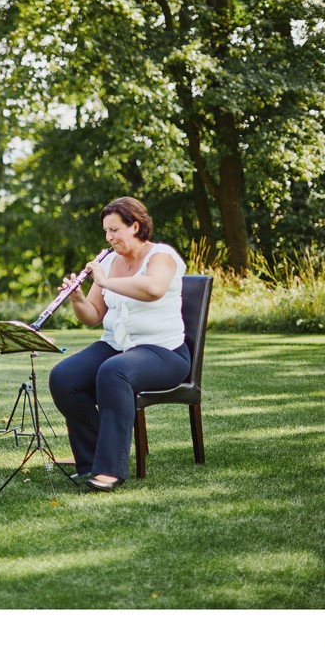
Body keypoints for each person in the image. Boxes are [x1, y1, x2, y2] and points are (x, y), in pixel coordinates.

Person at [47, 197, 191, 492]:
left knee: (113, 372)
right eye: (106, 232)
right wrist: (77, 299)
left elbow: (153, 289)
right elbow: (93, 315)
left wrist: (105, 281)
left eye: (114, 230)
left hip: (163, 352)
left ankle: (110, 469)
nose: (109, 237)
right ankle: (89, 461)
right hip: (117, 345)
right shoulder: (109, 262)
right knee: (64, 378)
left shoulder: (161, 256)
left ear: (135, 226)